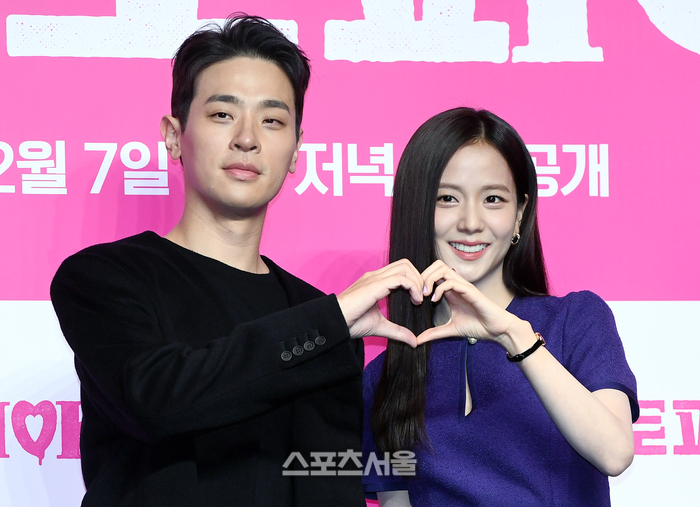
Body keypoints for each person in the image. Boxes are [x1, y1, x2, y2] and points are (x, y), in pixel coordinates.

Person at [50, 15, 424, 507]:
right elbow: (155, 402)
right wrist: (327, 322)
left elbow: (325, 475)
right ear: (173, 135)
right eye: (223, 114)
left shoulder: (323, 315)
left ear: (296, 150)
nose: (247, 139)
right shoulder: (103, 278)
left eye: (272, 121)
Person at [362, 108, 639, 507]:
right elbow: (396, 501)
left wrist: (513, 335)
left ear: (519, 214)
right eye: (446, 198)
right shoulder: (387, 371)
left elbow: (615, 453)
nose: (471, 222)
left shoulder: (575, 320)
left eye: (493, 199)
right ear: (417, 210)